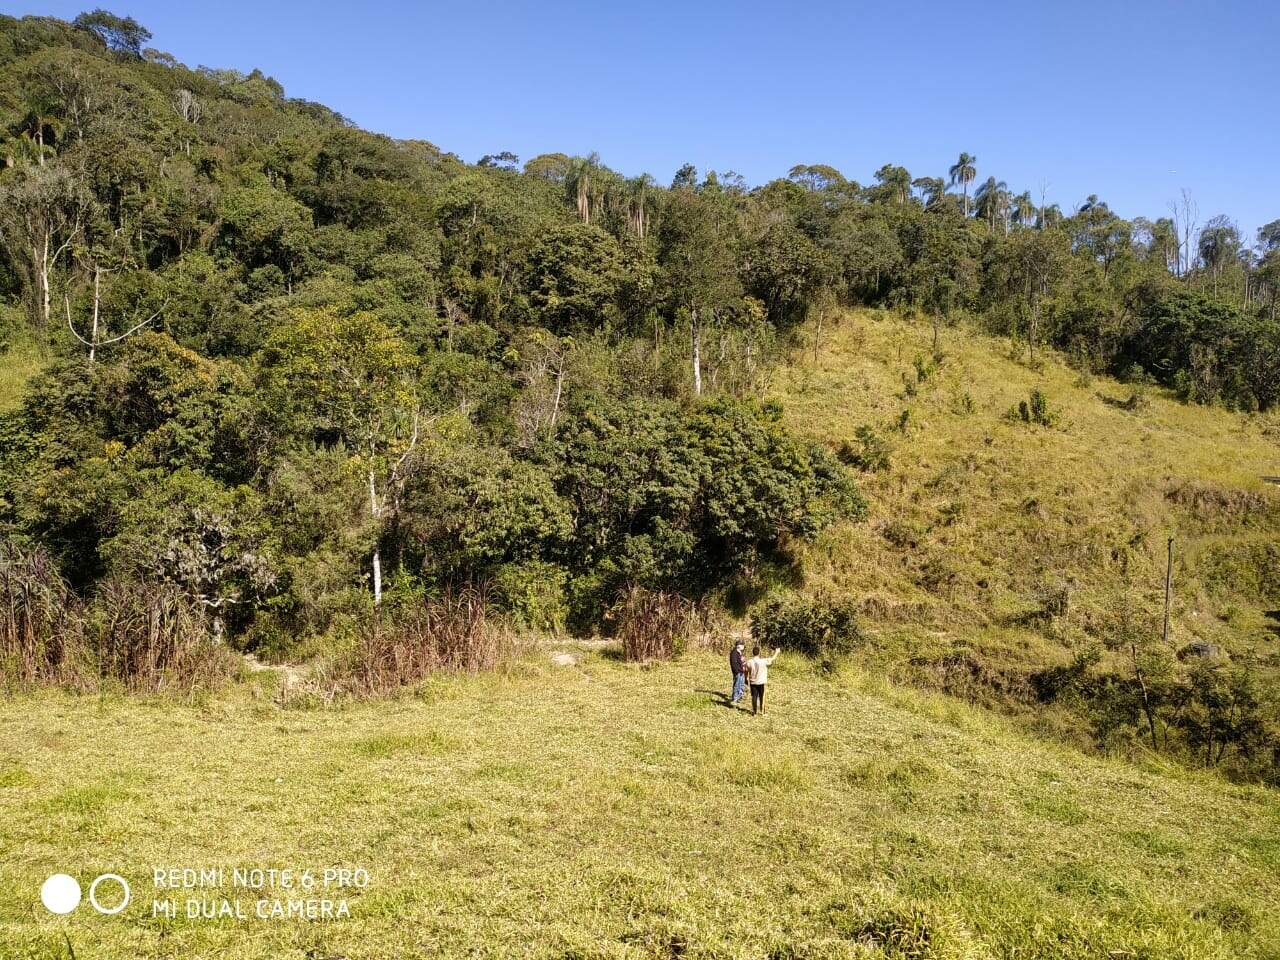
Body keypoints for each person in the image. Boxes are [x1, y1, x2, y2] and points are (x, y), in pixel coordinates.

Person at [745, 644, 781, 715]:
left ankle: (754, 712)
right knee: (762, 697)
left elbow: (746, 671)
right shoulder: (763, 661)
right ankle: (762, 712)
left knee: (754, 697)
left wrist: (746, 678)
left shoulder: (749, 662)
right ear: (759, 653)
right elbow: (772, 658)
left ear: (753, 653)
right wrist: (776, 652)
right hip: (761, 682)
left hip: (753, 682)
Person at [728, 640, 747, 705]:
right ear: (739, 646)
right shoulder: (734, 653)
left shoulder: (739, 653)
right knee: (736, 685)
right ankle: (734, 698)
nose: (744, 647)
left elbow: (741, 662)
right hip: (738, 672)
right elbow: (734, 664)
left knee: (741, 685)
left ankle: (739, 696)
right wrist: (737, 671)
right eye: (743, 645)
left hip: (742, 671)